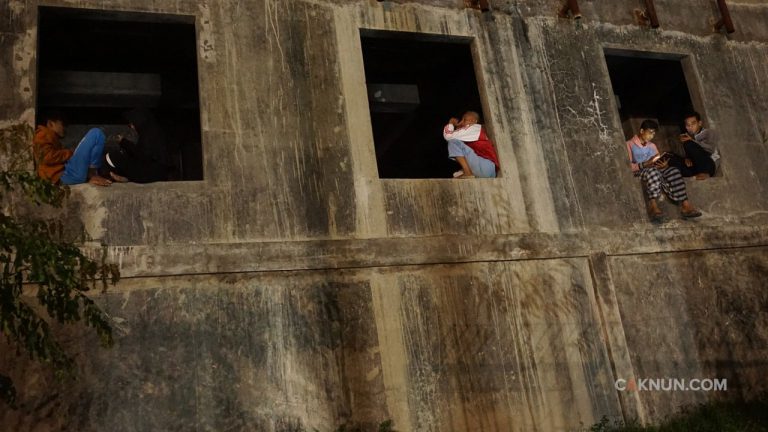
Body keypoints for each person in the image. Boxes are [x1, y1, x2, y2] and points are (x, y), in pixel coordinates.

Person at [626, 119, 702, 222]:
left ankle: (685, 205)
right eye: (649, 132)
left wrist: (663, 164)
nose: (651, 136)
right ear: (642, 131)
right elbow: (629, 166)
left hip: (656, 169)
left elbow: (657, 159)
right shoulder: (629, 144)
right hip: (642, 171)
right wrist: (644, 164)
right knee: (652, 172)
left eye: (653, 133)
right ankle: (653, 205)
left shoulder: (652, 146)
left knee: (674, 171)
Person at [33, 111, 112, 186]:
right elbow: (45, 157)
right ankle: (92, 174)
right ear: (50, 124)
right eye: (63, 124)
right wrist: (69, 153)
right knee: (96, 133)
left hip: (66, 174)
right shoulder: (42, 134)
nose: (65, 128)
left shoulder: (50, 137)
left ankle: (90, 175)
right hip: (63, 176)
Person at [102, 108, 169, 184]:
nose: (133, 127)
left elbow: (142, 156)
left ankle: (127, 178)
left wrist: (124, 142)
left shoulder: (149, 137)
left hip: (149, 175)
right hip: (157, 173)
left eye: (133, 124)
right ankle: (127, 177)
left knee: (114, 156)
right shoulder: (153, 133)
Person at [443, 111, 499, 179]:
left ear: (473, 120)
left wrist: (451, 123)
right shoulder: (474, 133)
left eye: (464, 119)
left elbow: (448, 136)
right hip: (488, 171)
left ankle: (467, 173)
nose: (462, 122)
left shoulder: (474, 127)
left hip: (484, 166)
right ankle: (466, 172)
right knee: (456, 175)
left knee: (453, 142)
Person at [677, 111, 720, 180]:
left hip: (709, 165)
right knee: (672, 157)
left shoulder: (708, 133)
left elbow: (710, 150)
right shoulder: (689, 137)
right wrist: (687, 158)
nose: (690, 127)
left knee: (689, 143)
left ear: (699, 123)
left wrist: (692, 140)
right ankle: (694, 175)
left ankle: (705, 174)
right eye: (688, 125)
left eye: (693, 124)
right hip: (697, 167)